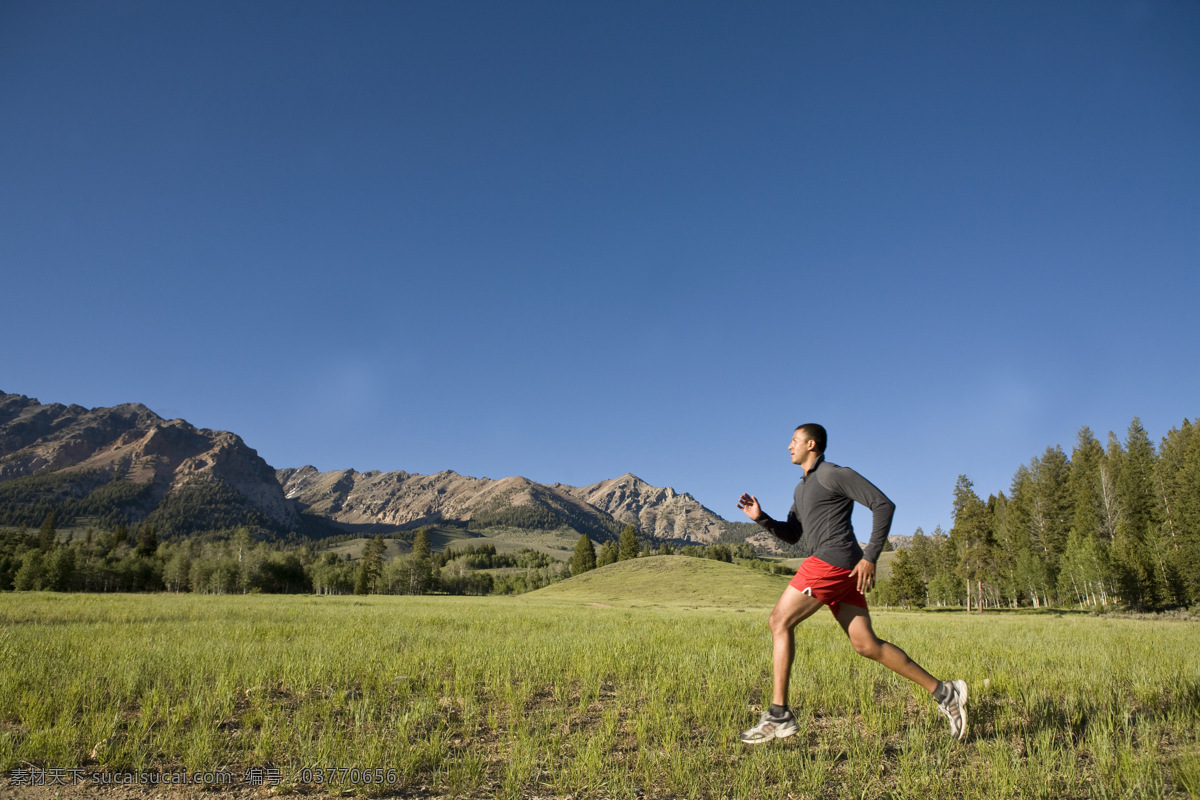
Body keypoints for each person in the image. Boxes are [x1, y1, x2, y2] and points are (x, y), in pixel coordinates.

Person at [736, 423, 968, 743]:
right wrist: (760, 517)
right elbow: (792, 535)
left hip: (834, 561)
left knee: (779, 621)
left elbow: (883, 505)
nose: (789, 446)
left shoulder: (833, 473)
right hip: (840, 567)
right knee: (866, 645)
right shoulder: (802, 488)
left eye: (794, 441)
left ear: (811, 444)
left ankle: (779, 715)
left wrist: (870, 555)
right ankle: (946, 692)